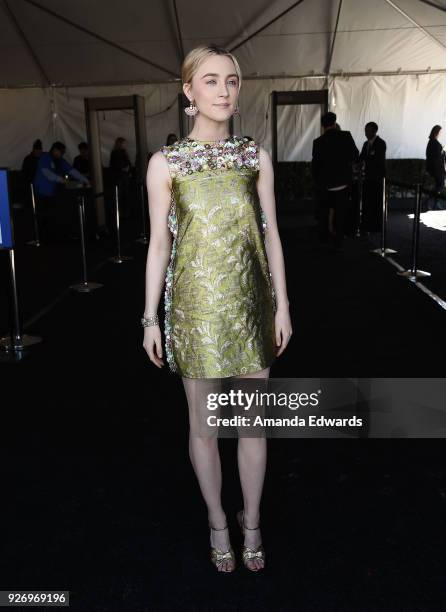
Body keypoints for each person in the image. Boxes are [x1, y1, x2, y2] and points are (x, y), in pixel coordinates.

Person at [143, 44, 292, 573]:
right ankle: (217, 522)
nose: (224, 91)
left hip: (252, 304)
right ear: (188, 91)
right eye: (210, 81)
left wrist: (282, 306)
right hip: (194, 310)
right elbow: (159, 245)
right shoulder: (166, 163)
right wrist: (149, 318)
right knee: (204, 427)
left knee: (253, 424)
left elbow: (271, 234)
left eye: (231, 81)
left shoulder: (256, 156)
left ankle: (252, 521)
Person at [312, 112, 359, 251]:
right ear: (334, 122)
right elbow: (355, 155)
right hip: (343, 182)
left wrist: (318, 182)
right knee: (341, 212)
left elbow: (316, 165)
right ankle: (339, 240)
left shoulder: (318, 142)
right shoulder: (346, 136)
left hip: (325, 185)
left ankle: (324, 238)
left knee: (325, 212)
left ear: (322, 125)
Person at [33, 141, 90, 241]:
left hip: (53, 191)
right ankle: (43, 238)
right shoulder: (45, 158)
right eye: (61, 152)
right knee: (44, 216)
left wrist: (85, 180)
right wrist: (62, 180)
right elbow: (48, 174)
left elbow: (71, 170)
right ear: (55, 150)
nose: (62, 154)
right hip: (42, 192)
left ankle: (55, 236)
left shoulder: (60, 160)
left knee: (54, 214)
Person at [359, 122, 386, 232]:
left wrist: (366, 160)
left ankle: (377, 226)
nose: (366, 133)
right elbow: (361, 157)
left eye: (368, 130)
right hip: (367, 178)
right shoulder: (366, 144)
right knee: (367, 201)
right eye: (365, 130)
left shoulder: (381, 143)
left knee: (377, 202)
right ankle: (367, 223)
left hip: (378, 178)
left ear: (375, 131)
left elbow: (376, 160)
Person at [426, 125, 445, 210]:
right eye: (440, 132)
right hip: (436, 168)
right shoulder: (433, 142)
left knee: (439, 185)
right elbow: (436, 156)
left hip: (435, 168)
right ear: (436, 132)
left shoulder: (432, 141)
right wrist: (442, 151)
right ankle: (429, 202)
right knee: (440, 184)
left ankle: (434, 203)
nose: (441, 133)